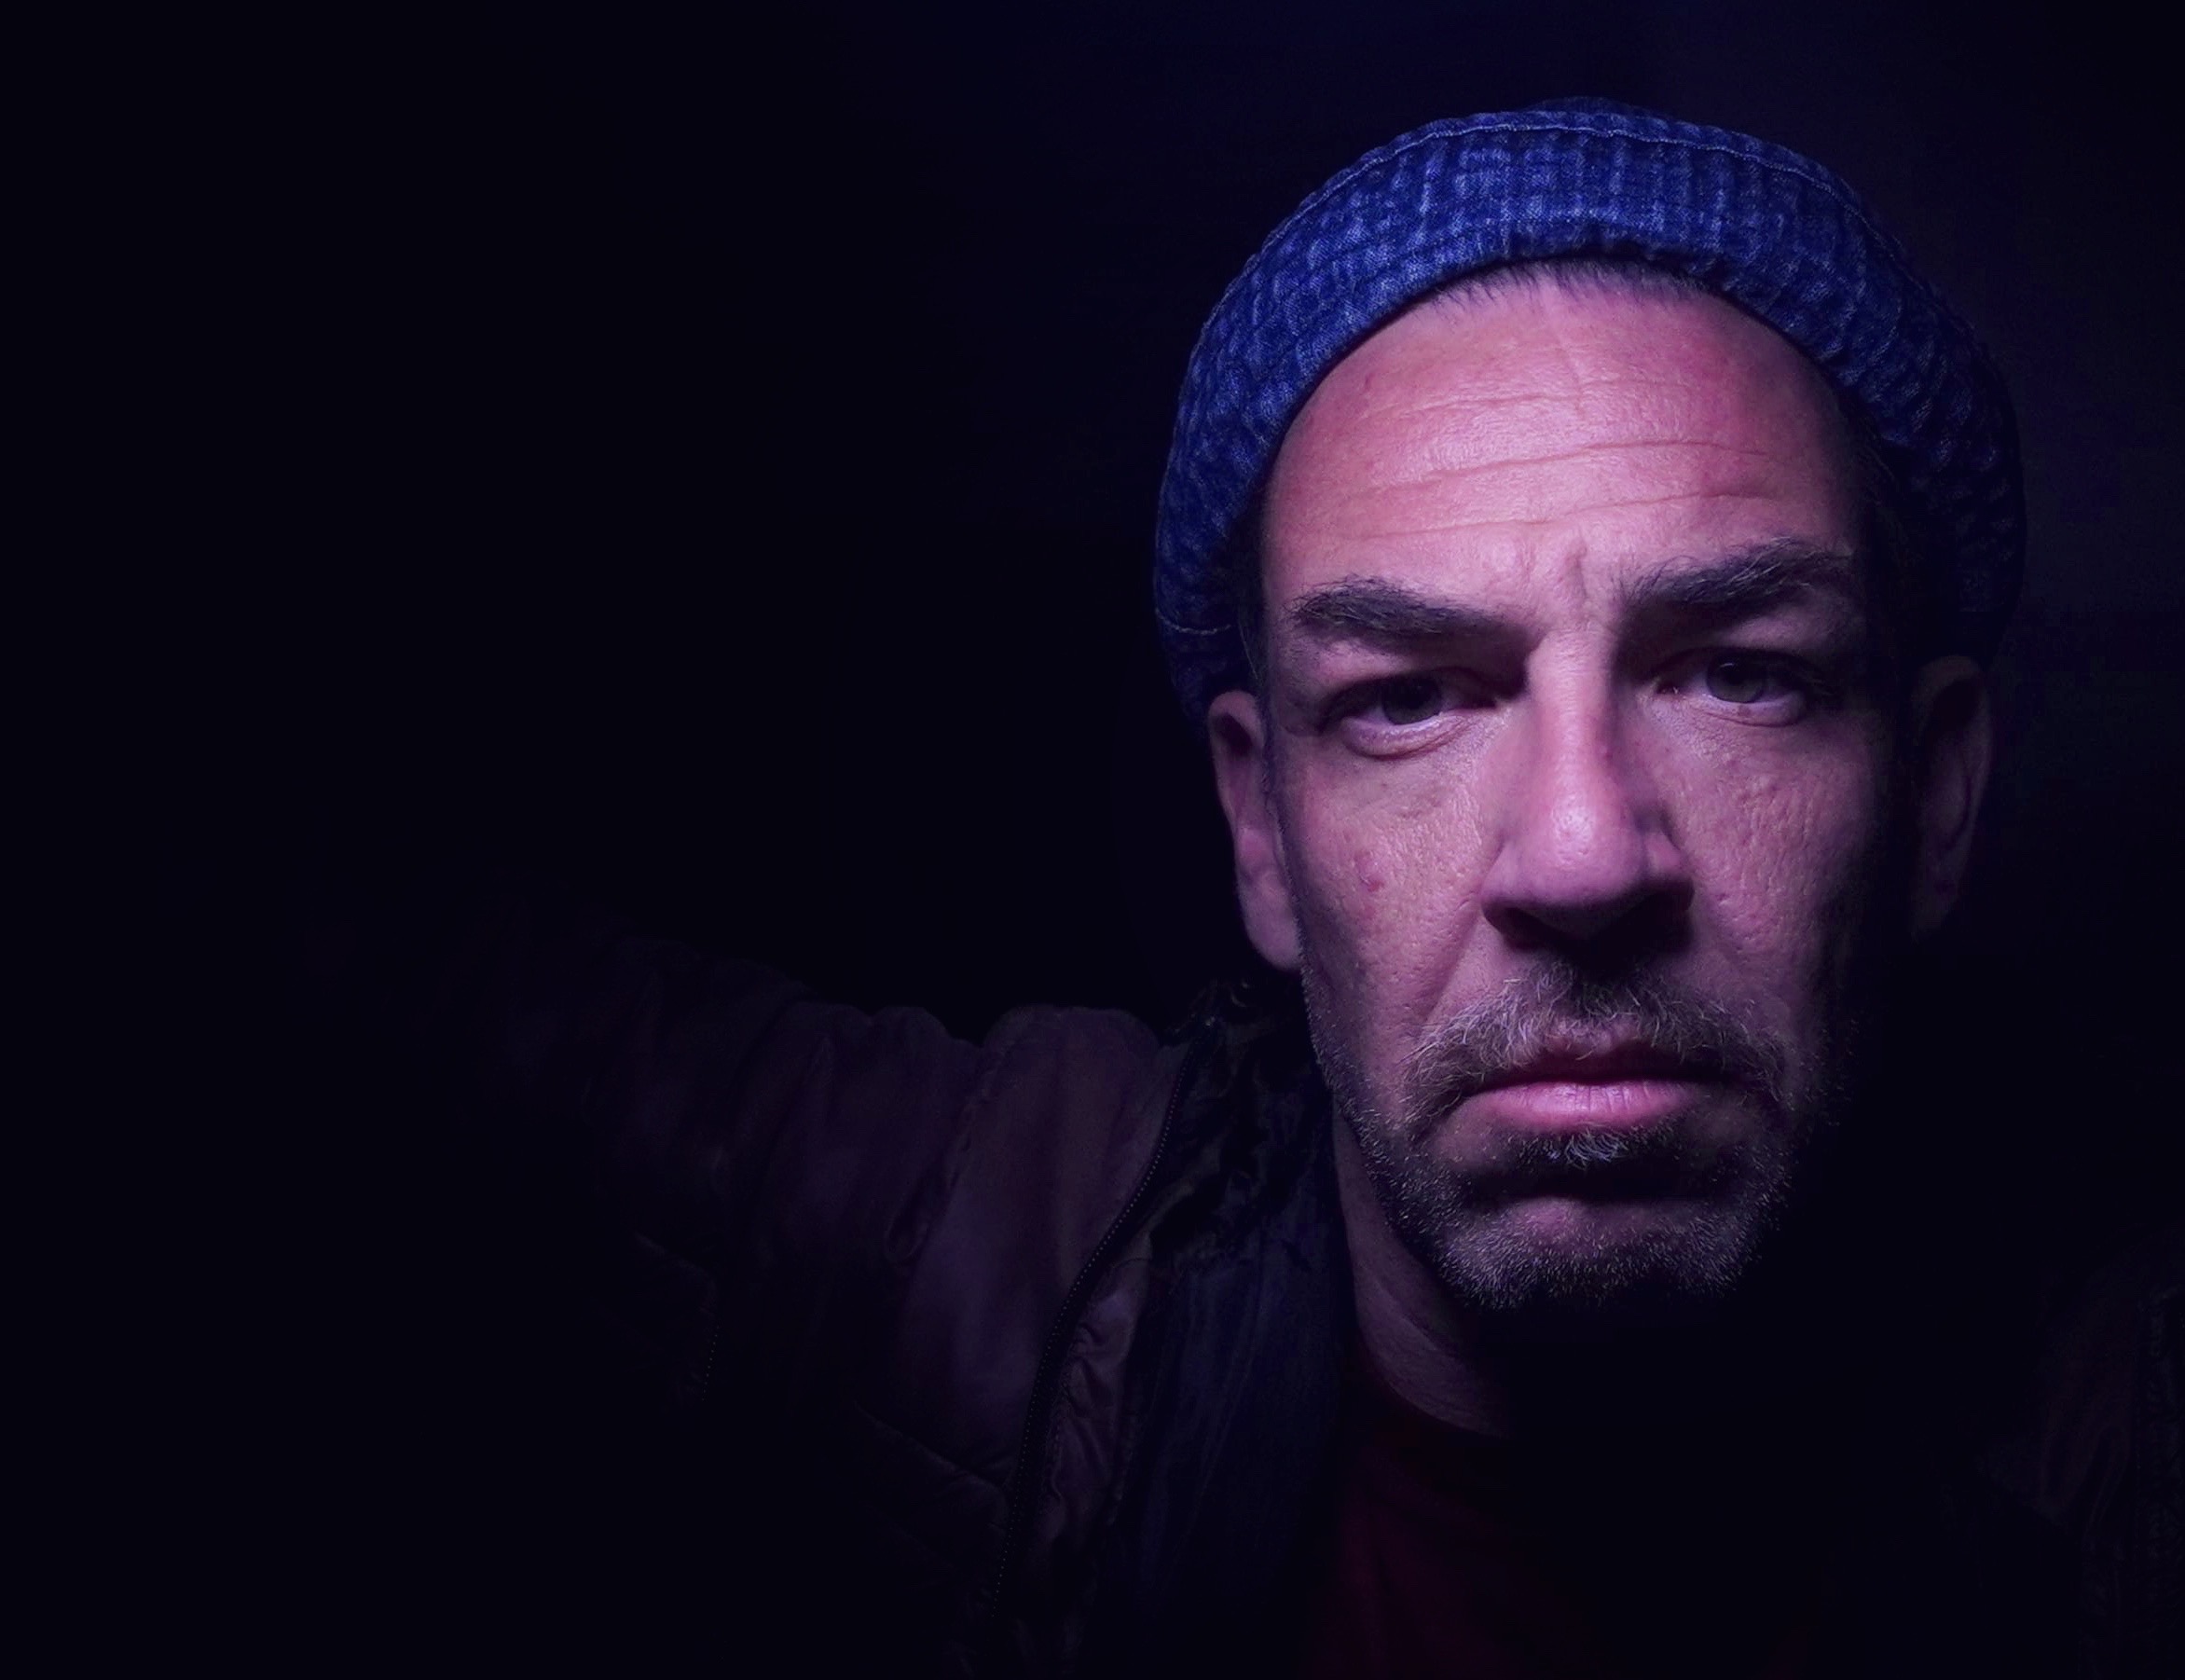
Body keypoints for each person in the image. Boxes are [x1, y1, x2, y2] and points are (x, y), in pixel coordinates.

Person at [346, 102, 2176, 1676]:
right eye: (1407, 697)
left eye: (1738, 671)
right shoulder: (988, 1241)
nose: (1577, 855)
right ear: (1257, 827)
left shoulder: (2116, 1451)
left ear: (1937, 794)